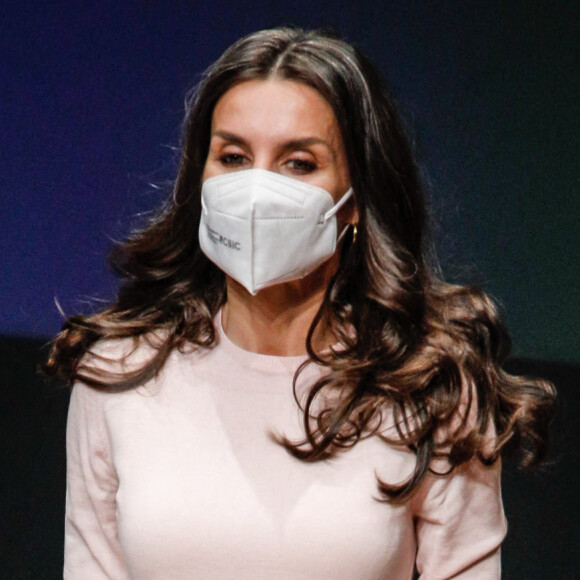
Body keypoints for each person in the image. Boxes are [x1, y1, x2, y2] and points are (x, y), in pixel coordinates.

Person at [45, 27, 556, 579]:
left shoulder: (435, 388)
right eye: (234, 156)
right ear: (199, 179)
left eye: (299, 164)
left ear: (355, 199)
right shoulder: (119, 372)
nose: (258, 190)